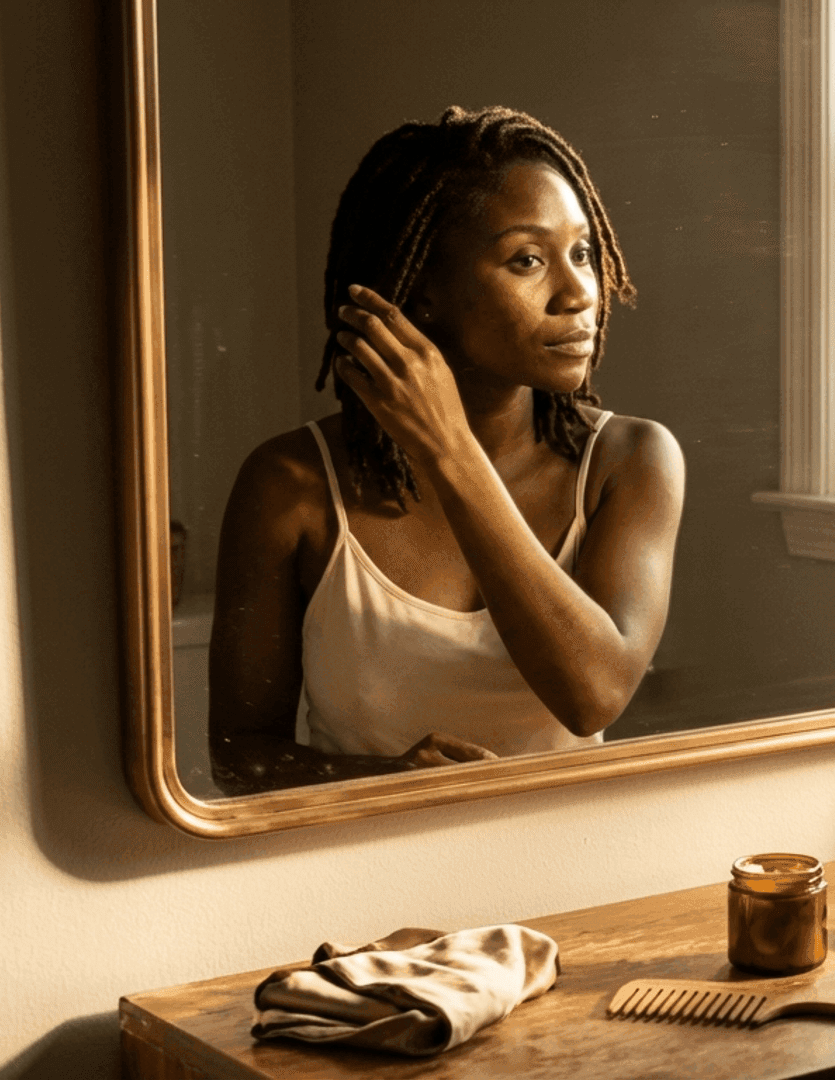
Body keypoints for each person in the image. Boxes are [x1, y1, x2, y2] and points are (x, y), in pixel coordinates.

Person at [208, 106, 684, 795]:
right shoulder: (292, 485)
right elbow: (237, 756)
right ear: (424, 292)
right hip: (358, 879)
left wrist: (450, 449)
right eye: (527, 259)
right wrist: (384, 782)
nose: (581, 292)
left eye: (582, 252)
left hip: (575, 877)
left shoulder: (629, 461)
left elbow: (592, 696)